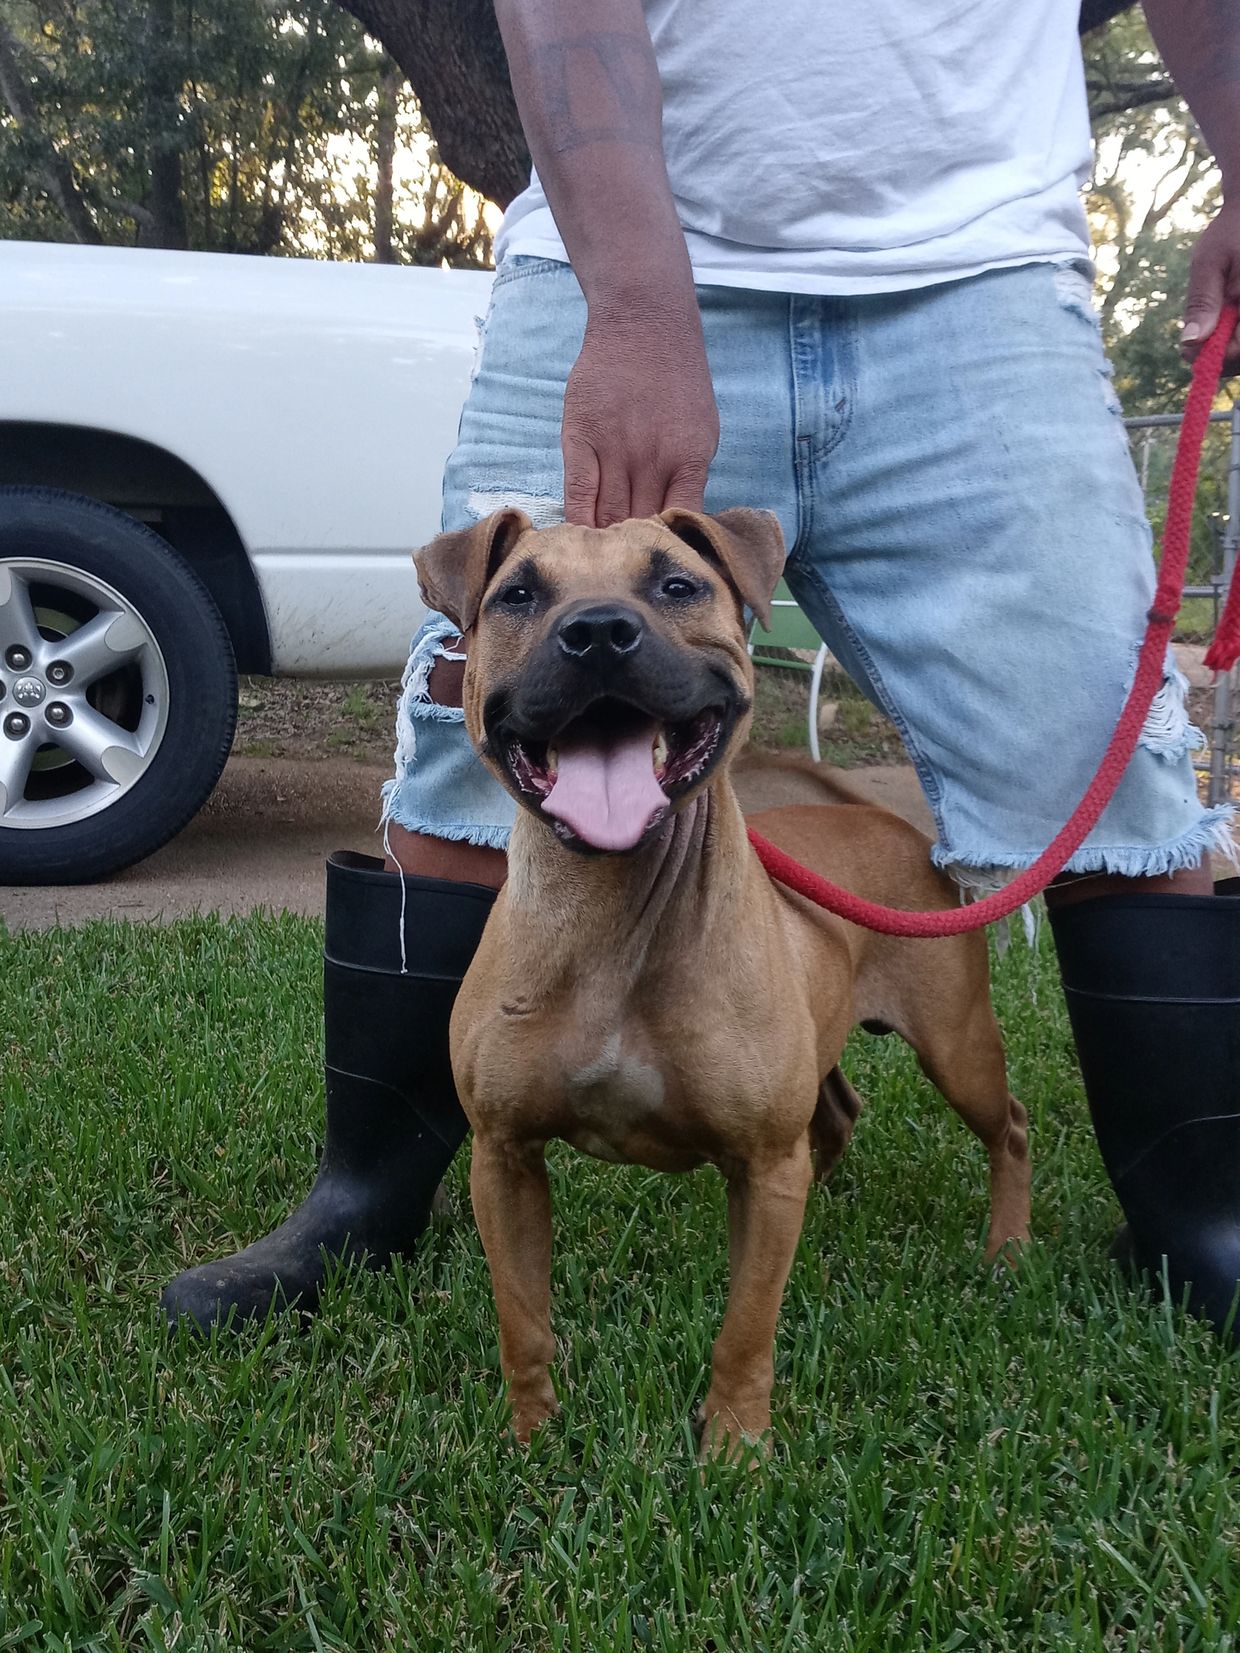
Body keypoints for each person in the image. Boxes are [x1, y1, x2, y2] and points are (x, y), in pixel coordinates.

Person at [162, 0, 1240, 1338]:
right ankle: (362, 1199)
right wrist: (638, 296)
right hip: (615, 252)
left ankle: (1206, 1220)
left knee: (1116, 770)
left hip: (987, 272)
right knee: (464, 753)